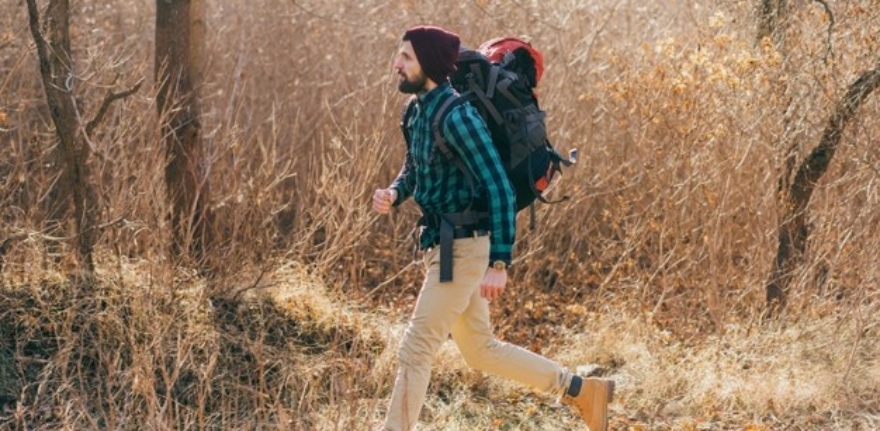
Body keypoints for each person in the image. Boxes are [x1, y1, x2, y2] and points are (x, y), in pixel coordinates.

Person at [372, 25, 614, 431]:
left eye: (406, 57)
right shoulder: (416, 111)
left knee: (415, 350)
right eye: (400, 55)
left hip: (464, 245)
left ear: (429, 64)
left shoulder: (458, 116)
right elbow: (414, 167)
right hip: (444, 244)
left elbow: (499, 186)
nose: (396, 64)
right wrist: (395, 193)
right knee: (480, 349)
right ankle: (581, 391)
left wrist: (499, 261)